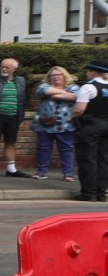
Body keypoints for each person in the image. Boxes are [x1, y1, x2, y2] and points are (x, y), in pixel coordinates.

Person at [34, 67, 77, 181]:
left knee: (66, 148)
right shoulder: (43, 86)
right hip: (45, 122)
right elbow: (43, 92)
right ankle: (41, 172)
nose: (56, 77)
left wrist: (55, 94)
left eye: (59, 75)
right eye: (53, 75)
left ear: (64, 75)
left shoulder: (73, 87)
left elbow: (76, 96)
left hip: (65, 124)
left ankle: (68, 174)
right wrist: (65, 94)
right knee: (43, 147)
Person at [73, 63, 108, 202]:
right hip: (107, 124)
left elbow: (79, 109)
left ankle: (89, 192)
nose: (87, 74)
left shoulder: (88, 87)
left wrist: (70, 116)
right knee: (104, 159)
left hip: (90, 125)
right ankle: (101, 192)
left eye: (88, 71)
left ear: (94, 73)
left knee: (87, 158)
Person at [0, 57, 27, 177]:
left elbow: (22, 99)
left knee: (11, 142)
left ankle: (11, 169)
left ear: (14, 69)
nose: (4, 69)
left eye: (7, 67)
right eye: (2, 66)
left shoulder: (21, 81)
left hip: (13, 116)